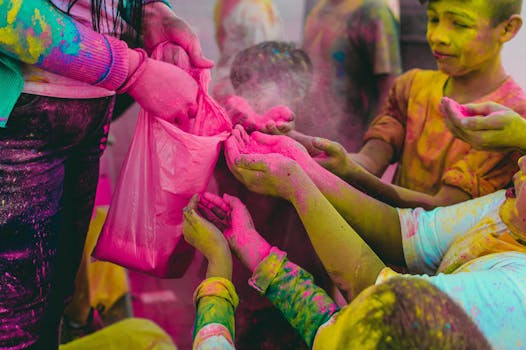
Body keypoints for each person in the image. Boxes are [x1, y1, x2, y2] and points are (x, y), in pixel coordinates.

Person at [0, 0, 212, 348]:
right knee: (13, 325)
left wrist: (148, 12)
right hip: (18, 121)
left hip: (91, 108)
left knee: (54, 304)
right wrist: (132, 71)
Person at [220, 125, 526, 349]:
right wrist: (304, 169)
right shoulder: (511, 208)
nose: (521, 161)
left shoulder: (516, 295)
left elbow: (384, 302)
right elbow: (408, 233)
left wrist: (297, 187)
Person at [312, 0, 526, 210]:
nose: (436, 36)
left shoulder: (512, 120)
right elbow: (369, 161)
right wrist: (304, 145)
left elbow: (443, 210)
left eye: (460, 24)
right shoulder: (411, 87)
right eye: (433, 19)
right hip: (387, 238)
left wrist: (351, 172)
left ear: (508, 29)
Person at [299, 0, 401, 152]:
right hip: (312, 139)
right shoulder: (318, 8)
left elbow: (389, 88)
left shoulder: (373, 11)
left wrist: (371, 149)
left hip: (352, 145)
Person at [210, 0, 283, 104]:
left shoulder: (227, 4)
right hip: (246, 90)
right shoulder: (253, 9)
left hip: (231, 85)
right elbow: (258, 54)